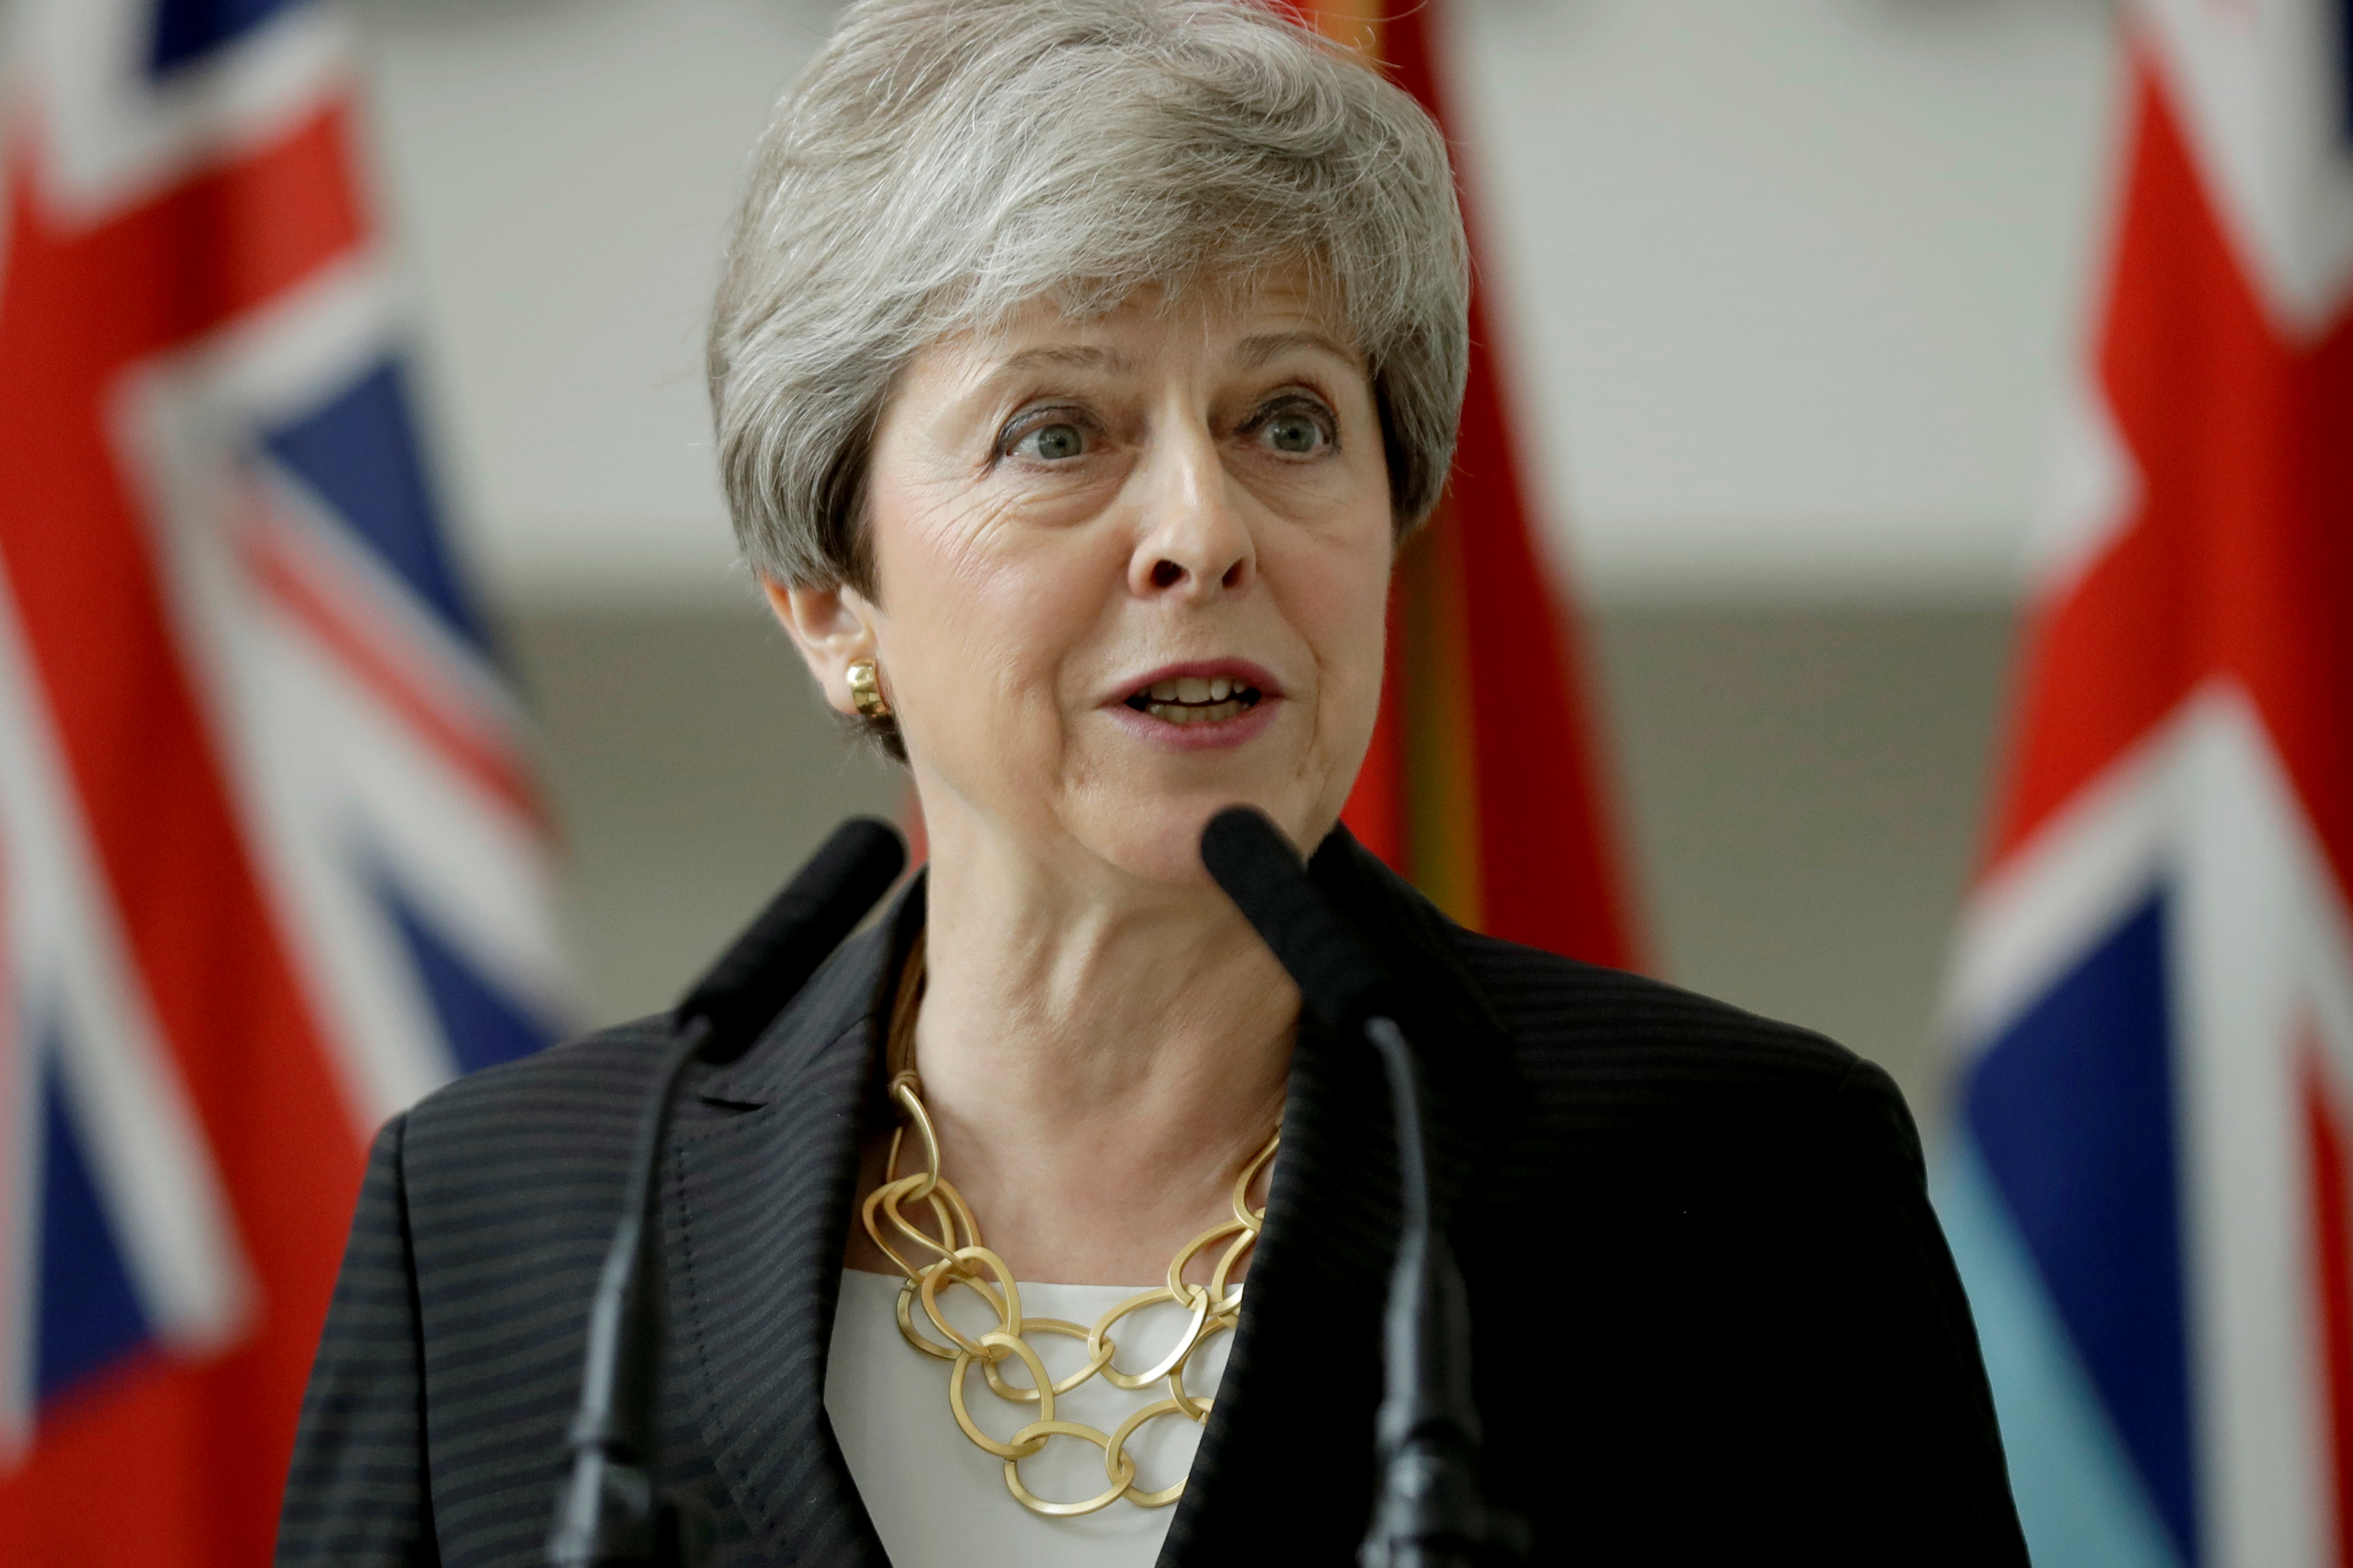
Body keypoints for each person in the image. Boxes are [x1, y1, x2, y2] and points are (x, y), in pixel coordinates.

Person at [276, 2, 2028, 1563]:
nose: (1203, 531)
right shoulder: (510, 1224)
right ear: (827, 604)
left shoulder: (1740, 1187)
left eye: (1286, 422)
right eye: (1059, 430)